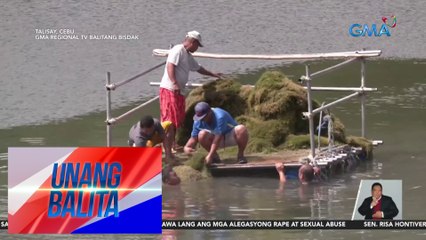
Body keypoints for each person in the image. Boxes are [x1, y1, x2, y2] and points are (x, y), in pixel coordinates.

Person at [159, 31, 222, 151]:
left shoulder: (187, 55)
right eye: (197, 45)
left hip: (179, 91)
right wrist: (174, 83)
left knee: (177, 119)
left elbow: (198, 68)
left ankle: (173, 144)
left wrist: (212, 74)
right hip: (170, 89)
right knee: (169, 120)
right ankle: (167, 149)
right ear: (193, 42)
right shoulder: (178, 50)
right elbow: (170, 66)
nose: (197, 48)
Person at [183, 102, 249, 165]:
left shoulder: (220, 116)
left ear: (210, 112)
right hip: (214, 139)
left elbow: (217, 138)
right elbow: (193, 138)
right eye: (200, 118)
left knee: (241, 129)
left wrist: (210, 155)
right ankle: (215, 158)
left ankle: (240, 156)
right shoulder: (197, 121)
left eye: (204, 117)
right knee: (201, 134)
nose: (202, 119)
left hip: (230, 137)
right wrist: (186, 147)